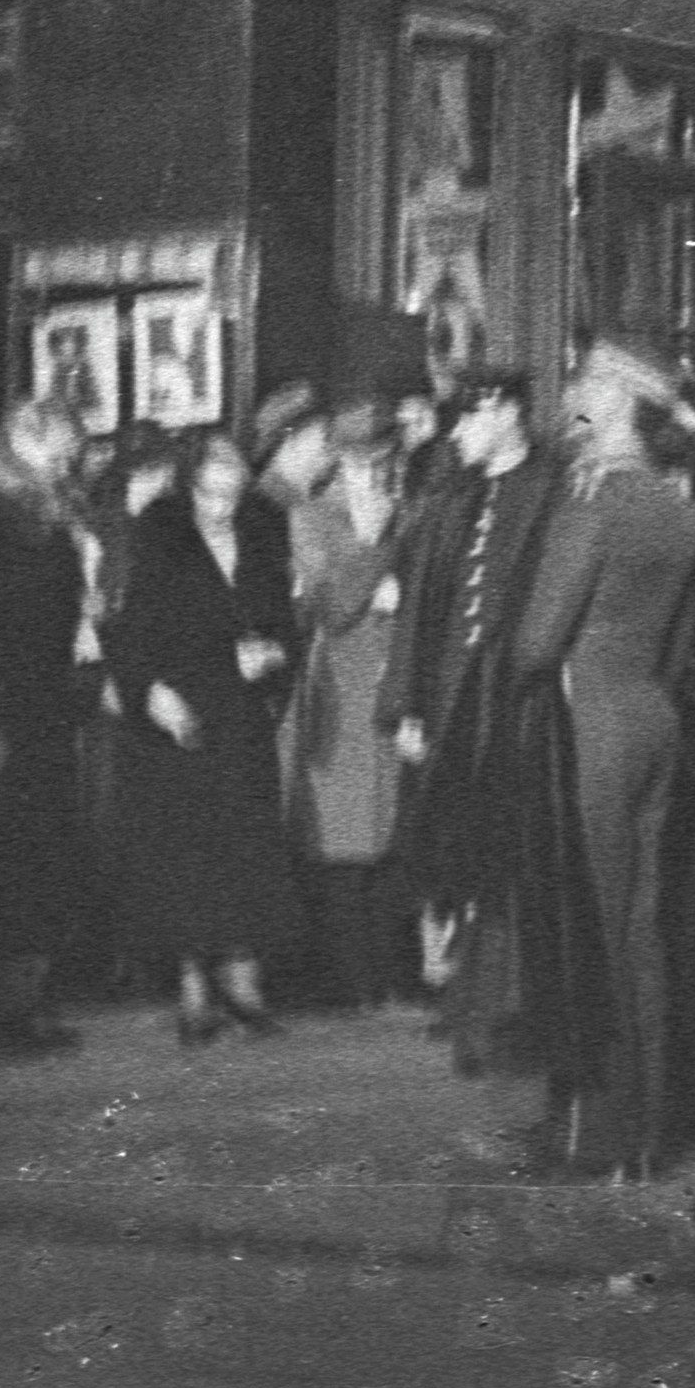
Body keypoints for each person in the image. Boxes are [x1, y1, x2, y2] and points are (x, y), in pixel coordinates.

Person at [501, 340, 695, 1178]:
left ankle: (596, 1134)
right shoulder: (674, 504)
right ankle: (646, 1131)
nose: (572, 395)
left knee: (586, 933)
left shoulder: (590, 503)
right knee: (640, 930)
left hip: (587, 724)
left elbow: (536, 642)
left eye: (586, 385)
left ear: (616, 404)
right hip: (653, 715)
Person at [105, 422, 305, 1039]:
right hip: (179, 710)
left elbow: (286, 623)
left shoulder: (263, 528)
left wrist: (275, 656)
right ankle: (194, 983)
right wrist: (147, 693)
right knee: (185, 851)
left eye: (233, 496)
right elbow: (132, 630)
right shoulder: (158, 531)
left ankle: (243, 977)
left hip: (243, 713)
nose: (223, 509)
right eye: (212, 497)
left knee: (246, 844)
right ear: (191, 486)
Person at [380, 369, 561, 1033]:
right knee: (442, 844)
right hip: (447, 698)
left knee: (507, 848)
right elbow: (417, 611)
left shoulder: (553, 492)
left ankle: (502, 997)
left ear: (505, 411)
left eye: (467, 419)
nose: (456, 434)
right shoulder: (451, 499)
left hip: (512, 703)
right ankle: (453, 987)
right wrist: (405, 706)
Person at [0, 404, 95, 1058]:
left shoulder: (41, 517)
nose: (70, 462)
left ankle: (18, 999)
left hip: (42, 705)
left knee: (32, 856)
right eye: (61, 450)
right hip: (0, 710)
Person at [285, 399, 414, 1009]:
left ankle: (388, 974)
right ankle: (350, 978)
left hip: (396, 684)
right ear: (336, 462)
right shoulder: (311, 518)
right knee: (342, 836)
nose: (370, 474)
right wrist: (367, 547)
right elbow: (332, 610)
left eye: (381, 461)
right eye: (357, 462)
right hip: (340, 687)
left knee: (392, 831)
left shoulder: (410, 514)